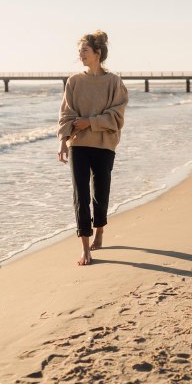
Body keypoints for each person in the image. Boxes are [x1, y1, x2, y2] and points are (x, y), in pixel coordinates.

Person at [57, 30, 128, 266]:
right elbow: (66, 114)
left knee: (101, 191)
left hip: (104, 144)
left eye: (84, 51)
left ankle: (100, 230)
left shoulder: (114, 82)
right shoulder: (74, 81)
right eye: (79, 51)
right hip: (78, 143)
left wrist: (91, 122)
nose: (80, 55)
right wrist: (62, 142)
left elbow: (117, 115)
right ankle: (85, 247)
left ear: (97, 53)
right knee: (80, 194)